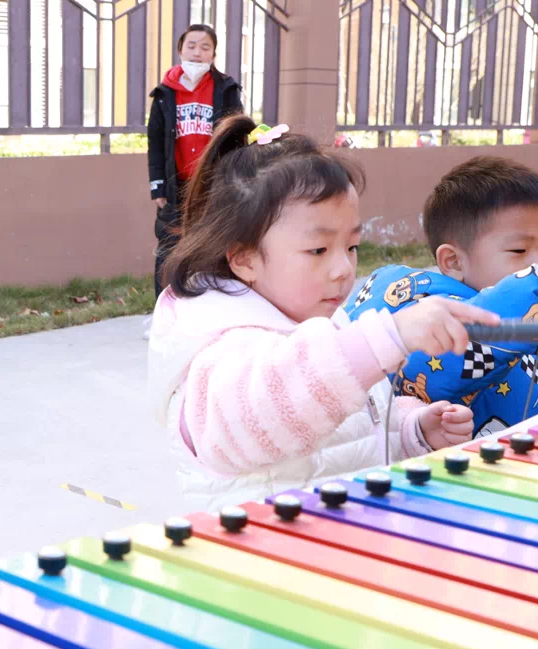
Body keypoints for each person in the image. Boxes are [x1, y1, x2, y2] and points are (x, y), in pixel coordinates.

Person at [146, 117, 500, 511]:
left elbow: (349, 433)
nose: (343, 269)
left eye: (351, 247)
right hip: (264, 545)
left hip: (339, 532)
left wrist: (411, 431)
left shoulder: (317, 321)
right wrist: (386, 337)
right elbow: (267, 412)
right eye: (318, 250)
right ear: (244, 258)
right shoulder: (223, 348)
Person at [348, 157, 538, 438]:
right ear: (453, 261)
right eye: (519, 250)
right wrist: (529, 291)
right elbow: (434, 366)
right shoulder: (425, 308)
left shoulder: (527, 312)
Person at [147, 23, 243, 301]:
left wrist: (234, 181)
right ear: (180, 50)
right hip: (175, 185)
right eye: (191, 46)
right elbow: (155, 141)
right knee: (169, 247)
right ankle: (165, 309)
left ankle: (207, 306)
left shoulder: (226, 89)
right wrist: (157, 186)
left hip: (214, 185)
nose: (197, 52)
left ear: (213, 54)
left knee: (213, 247)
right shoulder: (165, 93)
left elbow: (237, 137)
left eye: (205, 47)